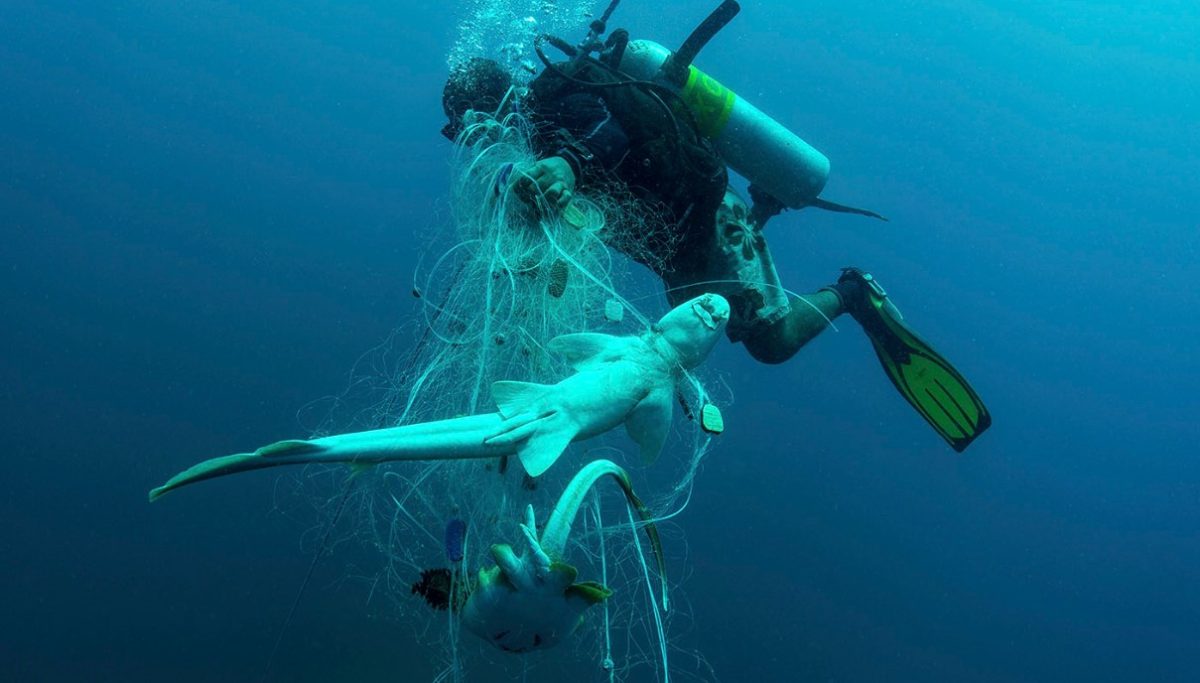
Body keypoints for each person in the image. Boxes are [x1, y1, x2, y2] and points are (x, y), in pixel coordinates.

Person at [439, 49, 990, 452]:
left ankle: (851, 293)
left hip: (709, 220)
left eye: (464, 127)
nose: (470, 140)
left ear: (488, 107)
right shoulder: (533, 142)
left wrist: (568, 164)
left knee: (771, 342)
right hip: (677, 247)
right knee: (681, 352)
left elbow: (609, 131)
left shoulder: (555, 98)